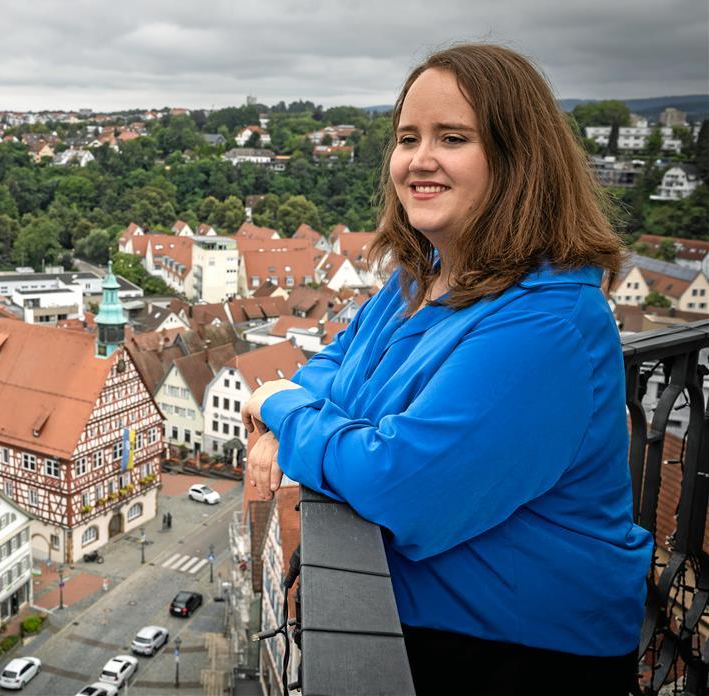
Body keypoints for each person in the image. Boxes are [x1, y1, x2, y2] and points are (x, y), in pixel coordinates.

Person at [243, 44, 651, 695]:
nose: (419, 159)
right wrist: (292, 406)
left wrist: (281, 410)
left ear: (517, 161)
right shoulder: (420, 276)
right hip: (437, 623)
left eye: (452, 137)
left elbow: (400, 482)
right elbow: (335, 363)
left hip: (523, 654)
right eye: (408, 138)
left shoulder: (547, 324)